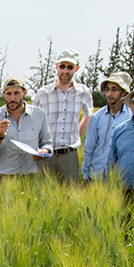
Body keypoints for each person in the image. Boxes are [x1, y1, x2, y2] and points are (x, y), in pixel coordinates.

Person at [32, 49, 94, 182]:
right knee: (42, 195)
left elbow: (88, 114)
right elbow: (33, 121)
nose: (65, 71)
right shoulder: (43, 93)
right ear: (57, 67)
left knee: (69, 196)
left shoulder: (83, 92)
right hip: (46, 154)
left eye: (70, 67)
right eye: (62, 66)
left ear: (76, 68)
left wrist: (77, 132)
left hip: (69, 154)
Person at [0, 76, 53, 178]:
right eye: (8, 94)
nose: (12, 98)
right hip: (0, 179)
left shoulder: (39, 114)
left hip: (30, 177)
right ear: (3, 95)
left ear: (25, 93)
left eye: (16, 93)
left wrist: (43, 152)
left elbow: (47, 144)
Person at [82, 72, 133, 181]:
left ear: (124, 92)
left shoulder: (132, 117)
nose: (109, 94)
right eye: (107, 89)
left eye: (114, 90)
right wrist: (86, 174)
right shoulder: (97, 117)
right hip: (96, 174)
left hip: (121, 177)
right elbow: (89, 148)